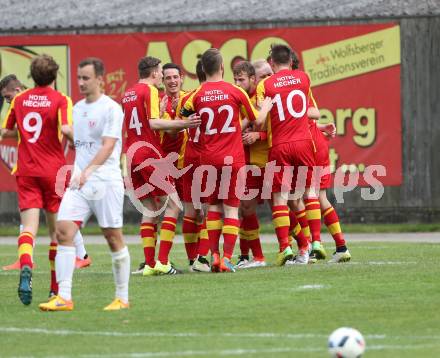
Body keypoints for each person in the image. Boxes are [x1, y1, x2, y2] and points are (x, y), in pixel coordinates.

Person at [39, 57, 129, 311]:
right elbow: (78, 144)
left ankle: (122, 298)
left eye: (86, 78)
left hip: (105, 181)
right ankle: (64, 297)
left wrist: (88, 170)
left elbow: (108, 145)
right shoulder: (77, 108)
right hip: (80, 183)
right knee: (63, 232)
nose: (80, 82)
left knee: (113, 237)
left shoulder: (111, 108)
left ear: (100, 79)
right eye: (78, 78)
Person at [1, 55, 74, 305]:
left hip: (27, 171)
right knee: (56, 233)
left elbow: (7, 130)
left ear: (31, 77)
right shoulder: (62, 100)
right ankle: (55, 289)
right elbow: (66, 129)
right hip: (53, 172)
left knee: (29, 229)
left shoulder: (20, 99)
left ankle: (26, 265)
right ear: (55, 76)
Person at [0, 74, 91, 272]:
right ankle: (25, 258)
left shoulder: (23, 102)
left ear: (17, 90)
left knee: (58, 215)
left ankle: (81, 255)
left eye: (8, 97)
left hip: (46, 166)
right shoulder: (51, 100)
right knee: (37, 216)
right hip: (46, 166)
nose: (8, 101)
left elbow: (64, 128)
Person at [122, 56, 201, 277]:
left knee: (149, 209)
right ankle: (163, 262)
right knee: (174, 205)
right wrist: (184, 123)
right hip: (148, 153)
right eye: (160, 73)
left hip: (132, 154)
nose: (162, 77)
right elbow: (153, 122)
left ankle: (149, 264)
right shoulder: (150, 92)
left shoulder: (128, 93)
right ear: (155, 73)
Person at [181, 48, 258, 273]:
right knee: (232, 209)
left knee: (213, 207)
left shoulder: (197, 94)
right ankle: (226, 258)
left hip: (208, 158)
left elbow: (185, 117)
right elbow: (255, 119)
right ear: (222, 67)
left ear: (203, 69)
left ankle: (214, 256)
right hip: (232, 158)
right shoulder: (235, 91)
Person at [255, 44, 315, 265]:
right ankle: (307, 247)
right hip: (304, 143)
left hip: (280, 145)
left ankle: (285, 248)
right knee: (300, 197)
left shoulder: (266, 85)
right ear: (291, 61)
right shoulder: (304, 78)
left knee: (279, 197)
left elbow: (260, 121)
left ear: (271, 63)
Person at [232, 61, 267, 269]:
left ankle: (302, 249)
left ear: (252, 80)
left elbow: (276, 131)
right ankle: (250, 256)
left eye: (241, 79)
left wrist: (258, 134)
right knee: (245, 208)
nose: (237, 83)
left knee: (288, 205)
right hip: (247, 163)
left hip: (267, 161)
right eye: (235, 79)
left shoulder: (262, 99)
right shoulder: (238, 99)